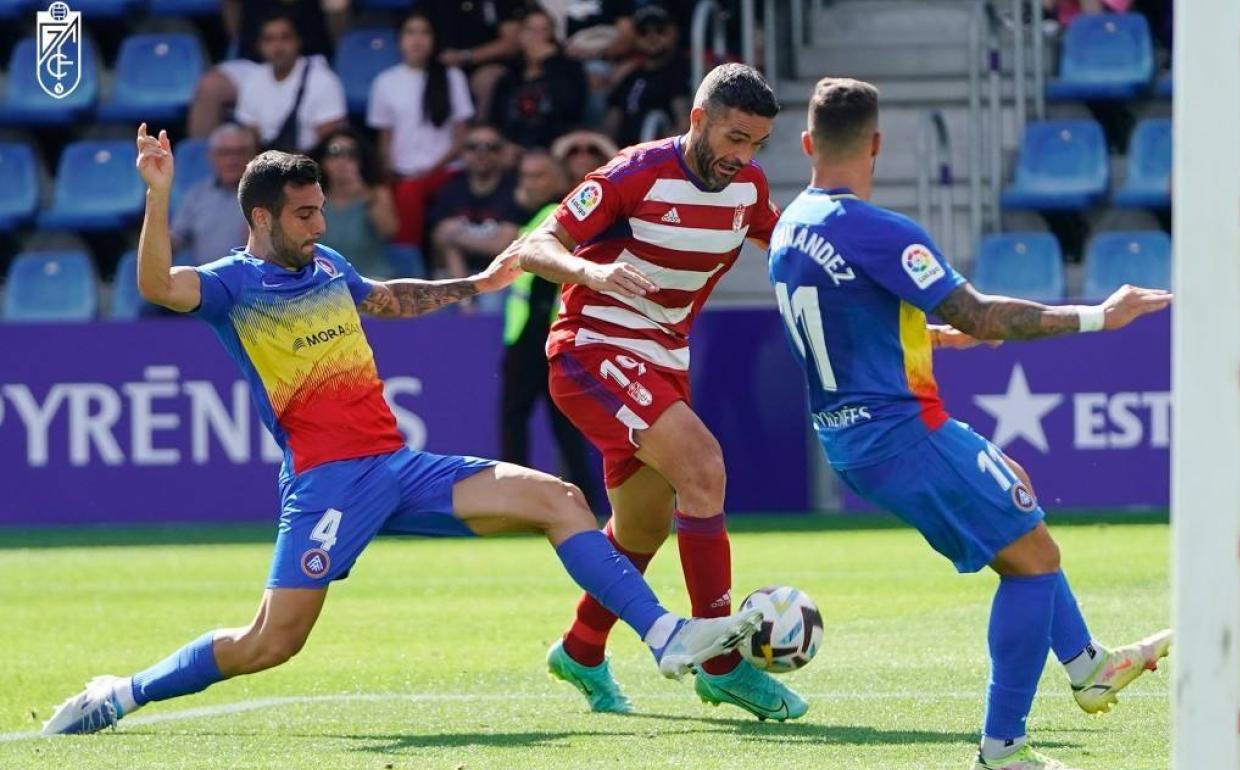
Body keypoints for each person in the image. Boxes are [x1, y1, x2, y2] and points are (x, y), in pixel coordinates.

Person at [38, 124, 765, 736]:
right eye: (303, 215)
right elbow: (159, 287)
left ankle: (665, 635)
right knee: (271, 643)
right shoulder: (232, 284)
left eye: (320, 210)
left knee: (560, 498)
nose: (320, 225)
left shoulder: (327, 264)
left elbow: (388, 300)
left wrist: (478, 285)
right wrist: (158, 195)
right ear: (259, 219)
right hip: (328, 483)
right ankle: (122, 694)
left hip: (397, 466)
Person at [768, 78, 1172, 770]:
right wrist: (1103, 314)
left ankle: (1087, 664)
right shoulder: (879, 231)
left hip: (850, 435)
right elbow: (982, 314)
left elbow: (844, 316)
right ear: (876, 145)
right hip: (901, 433)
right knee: (1034, 562)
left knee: (1016, 501)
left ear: (806, 144)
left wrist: (923, 338)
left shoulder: (789, 225)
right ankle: (1003, 749)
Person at [513, 63, 807, 720]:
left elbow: (791, 250)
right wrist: (591, 268)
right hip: (592, 348)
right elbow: (536, 247)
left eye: (755, 143)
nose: (743, 156)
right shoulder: (633, 173)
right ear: (698, 119)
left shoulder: (749, 189)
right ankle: (723, 664)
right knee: (703, 467)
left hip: (663, 362)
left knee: (643, 526)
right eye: (734, 137)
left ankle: (581, 648)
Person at [501, 150, 597, 508]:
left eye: (538, 175)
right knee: (558, 424)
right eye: (525, 176)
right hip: (529, 333)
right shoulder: (531, 215)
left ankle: (516, 500)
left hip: (544, 334)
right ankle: (584, 501)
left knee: (527, 421)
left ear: (556, 180)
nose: (529, 183)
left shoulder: (554, 215)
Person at [367, 11, 475, 249]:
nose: (417, 39)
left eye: (424, 32)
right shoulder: (384, 82)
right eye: (410, 32)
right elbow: (385, 138)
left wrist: (429, 169)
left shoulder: (451, 76)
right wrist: (386, 173)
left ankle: (408, 263)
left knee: (409, 192)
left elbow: (461, 137)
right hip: (401, 172)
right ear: (399, 39)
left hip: (445, 170)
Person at [233, 12, 348, 153]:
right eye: (269, 39)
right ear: (259, 46)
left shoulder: (324, 81)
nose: (278, 46)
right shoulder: (252, 81)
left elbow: (329, 142)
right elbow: (250, 139)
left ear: (298, 41)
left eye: (285, 38)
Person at [428, 124, 524, 282]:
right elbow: (440, 239)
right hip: (456, 275)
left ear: (503, 152)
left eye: (491, 147)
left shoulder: (515, 191)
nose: (482, 153)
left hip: (501, 275)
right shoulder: (450, 190)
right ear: (462, 152)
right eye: (473, 147)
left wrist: (457, 237)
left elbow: (504, 246)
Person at [487, 8, 588, 149]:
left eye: (544, 30)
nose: (537, 37)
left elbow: (570, 110)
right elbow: (496, 118)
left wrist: (549, 62)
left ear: (552, 36)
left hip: (554, 145)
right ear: (520, 35)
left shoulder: (569, 69)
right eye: (531, 30)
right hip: (512, 148)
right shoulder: (510, 74)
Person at [311, 129, 398, 279]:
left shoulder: (376, 193)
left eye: (352, 154)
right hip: (324, 285)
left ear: (361, 161)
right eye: (335, 153)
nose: (343, 161)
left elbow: (388, 231)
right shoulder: (311, 199)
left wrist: (365, 195)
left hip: (371, 283)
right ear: (323, 161)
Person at [604, 5, 691, 148]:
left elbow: (683, 123)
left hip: (660, 156)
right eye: (643, 32)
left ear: (673, 32)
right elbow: (611, 124)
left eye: (660, 30)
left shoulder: (682, 71)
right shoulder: (629, 77)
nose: (652, 37)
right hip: (626, 157)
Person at [171, 122, 255, 265]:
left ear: (252, 156)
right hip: (206, 282)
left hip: (258, 281)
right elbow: (175, 240)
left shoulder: (270, 195)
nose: (232, 161)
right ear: (212, 157)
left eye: (240, 152)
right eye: (224, 153)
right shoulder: (196, 196)